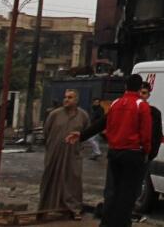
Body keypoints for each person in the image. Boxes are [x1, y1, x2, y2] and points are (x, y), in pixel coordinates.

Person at [70, 74, 152, 227]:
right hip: (133, 153)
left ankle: (107, 222)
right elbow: (146, 133)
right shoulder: (141, 106)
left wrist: (82, 135)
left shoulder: (115, 104)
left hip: (115, 152)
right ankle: (122, 223)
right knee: (128, 192)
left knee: (113, 190)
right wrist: (146, 151)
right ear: (140, 88)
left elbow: (102, 124)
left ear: (125, 86)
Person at [39, 89, 90, 217]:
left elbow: (87, 133)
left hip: (73, 154)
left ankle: (73, 209)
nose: (66, 99)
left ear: (76, 100)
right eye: (65, 97)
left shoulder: (83, 116)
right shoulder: (54, 114)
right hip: (54, 153)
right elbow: (46, 132)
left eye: (70, 97)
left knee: (72, 179)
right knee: (50, 178)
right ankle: (45, 208)